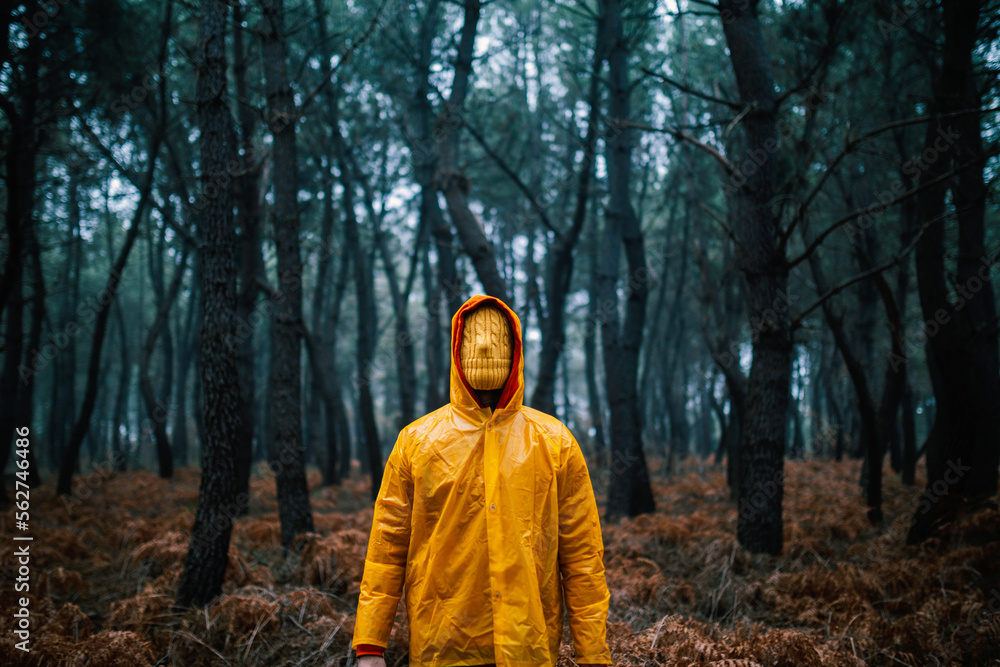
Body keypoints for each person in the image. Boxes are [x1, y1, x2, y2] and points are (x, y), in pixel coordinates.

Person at [352, 295, 612, 667]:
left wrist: (593, 653)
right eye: (475, 338)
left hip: (526, 647)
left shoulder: (553, 441)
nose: (487, 347)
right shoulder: (417, 441)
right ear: (457, 350)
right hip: (443, 646)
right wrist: (370, 645)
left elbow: (582, 557)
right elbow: (386, 549)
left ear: (515, 350)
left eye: (497, 339)